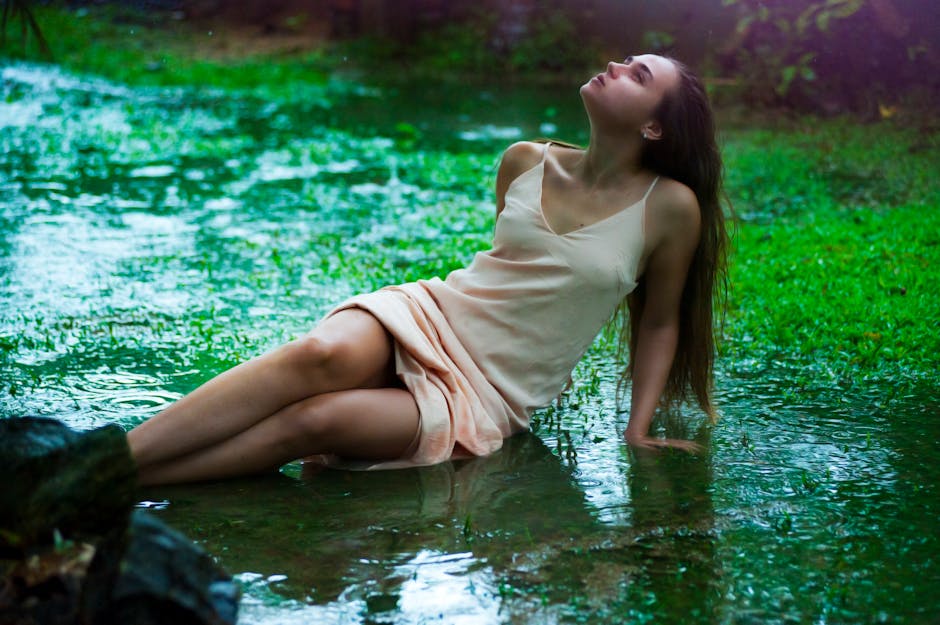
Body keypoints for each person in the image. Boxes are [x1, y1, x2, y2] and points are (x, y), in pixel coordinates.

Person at [128, 54, 729, 486]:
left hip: (489, 393)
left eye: (638, 74)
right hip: (432, 313)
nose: (616, 66)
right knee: (317, 356)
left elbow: (658, 323)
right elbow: (507, 272)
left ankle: (120, 486)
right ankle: (106, 464)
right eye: (625, 60)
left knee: (316, 421)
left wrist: (637, 428)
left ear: (654, 126)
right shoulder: (524, 160)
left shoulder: (671, 208)